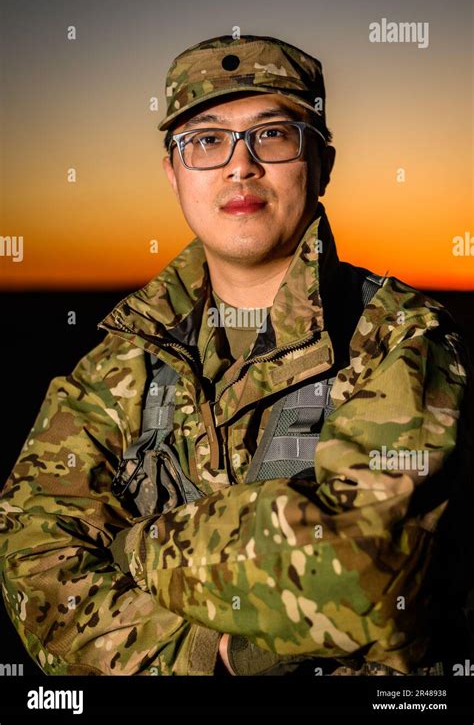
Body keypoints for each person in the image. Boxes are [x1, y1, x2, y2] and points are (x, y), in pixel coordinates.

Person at [0, 34, 472, 677]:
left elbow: (362, 571)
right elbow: (34, 557)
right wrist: (204, 653)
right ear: (173, 173)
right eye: (206, 140)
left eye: (272, 134)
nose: (239, 166)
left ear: (322, 163)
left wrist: (134, 545)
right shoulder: (123, 359)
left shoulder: (402, 341)